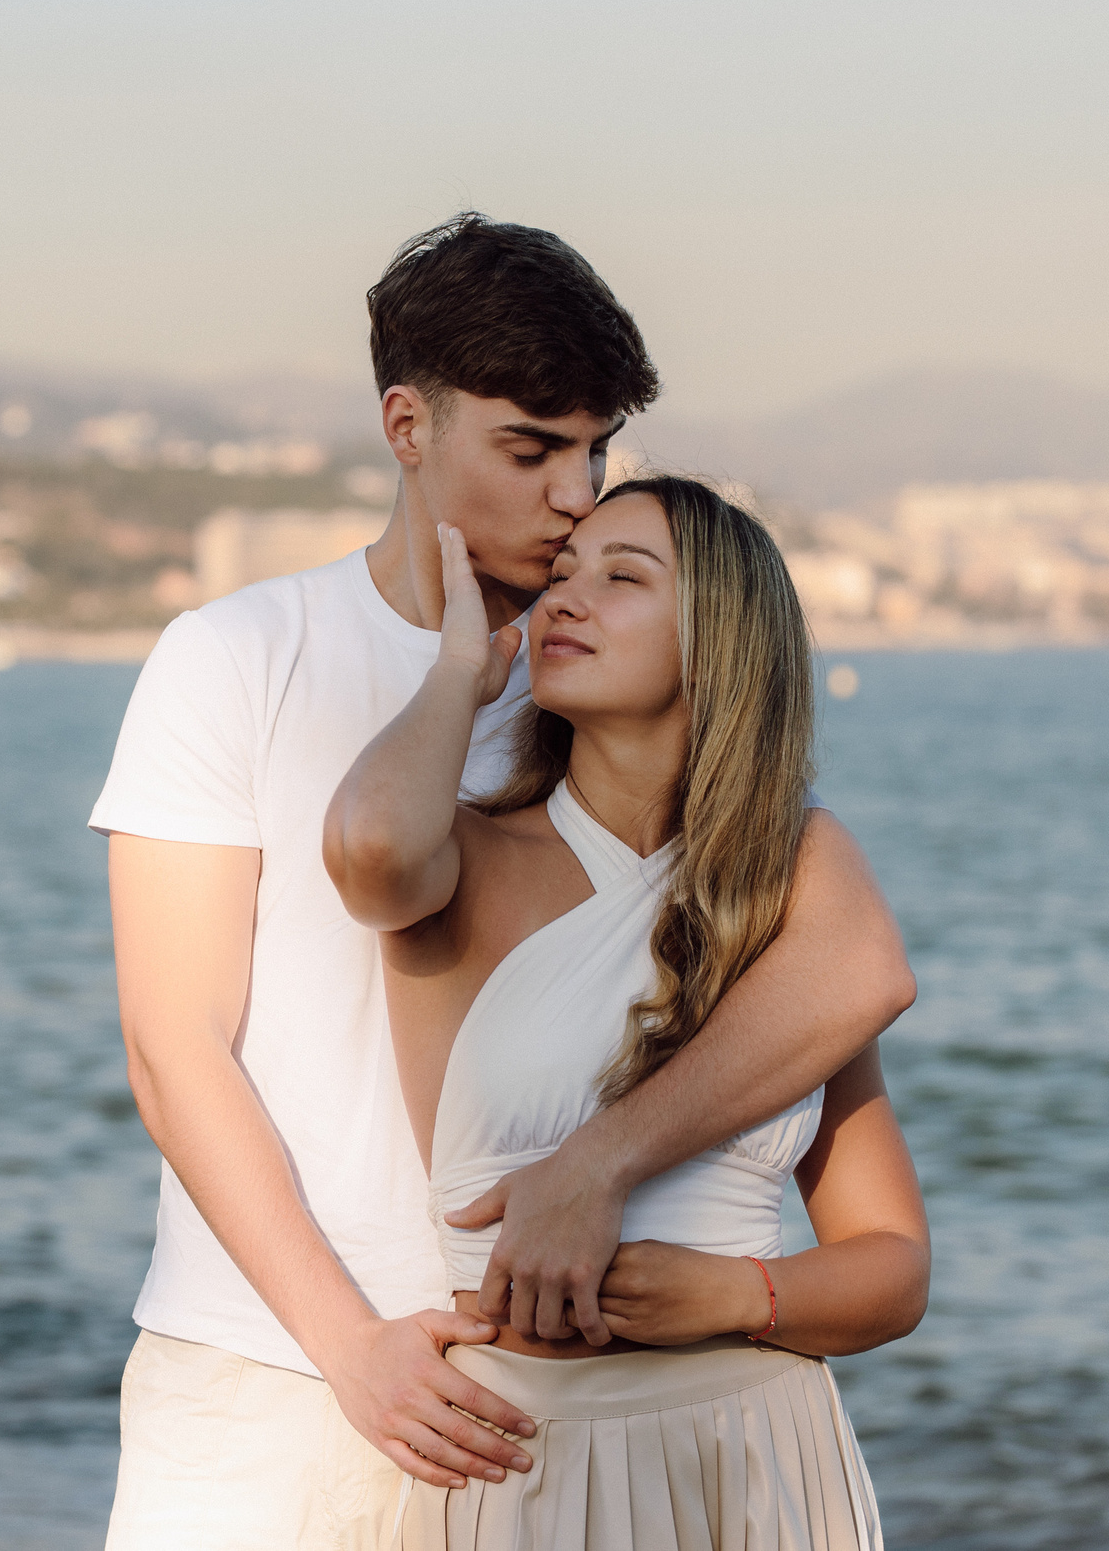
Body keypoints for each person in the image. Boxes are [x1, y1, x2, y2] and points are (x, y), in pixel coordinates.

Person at [89, 215, 918, 1549]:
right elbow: (172, 1046)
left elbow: (843, 947)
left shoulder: (607, 661)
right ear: (408, 425)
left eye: (593, 451)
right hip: (270, 1362)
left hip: (522, 1382)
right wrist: (350, 1341)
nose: (572, 493)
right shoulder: (238, 654)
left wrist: (602, 1173)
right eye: (529, 449)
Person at [323, 481, 931, 1548]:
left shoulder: (787, 879)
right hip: (519, 1453)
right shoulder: (464, 857)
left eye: (622, 578)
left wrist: (733, 1294)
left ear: (719, 640)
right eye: (559, 576)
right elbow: (367, 848)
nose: (564, 600)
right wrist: (463, 669)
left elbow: (890, 1267)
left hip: (757, 1454)